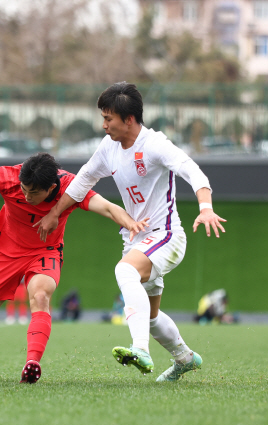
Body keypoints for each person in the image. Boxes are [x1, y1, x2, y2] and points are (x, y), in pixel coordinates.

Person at [37, 82, 226, 382]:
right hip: (138, 240)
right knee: (148, 317)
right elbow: (83, 179)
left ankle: (141, 350)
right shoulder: (108, 148)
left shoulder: (154, 145)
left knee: (124, 272)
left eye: (108, 118)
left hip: (166, 236)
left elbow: (193, 171)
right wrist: (53, 213)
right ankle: (184, 358)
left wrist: (205, 207)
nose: (103, 125)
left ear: (129, 119)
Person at [0, 152, 143, 383]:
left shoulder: (72, 187)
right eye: (24, 189)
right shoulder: (9, 177)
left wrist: (131, 224)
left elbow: (108, 207)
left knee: (41, 296)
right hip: (5, 256)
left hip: (45, 252)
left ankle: (32, 363)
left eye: (34, 192)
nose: (26, 195)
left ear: (51, 188)